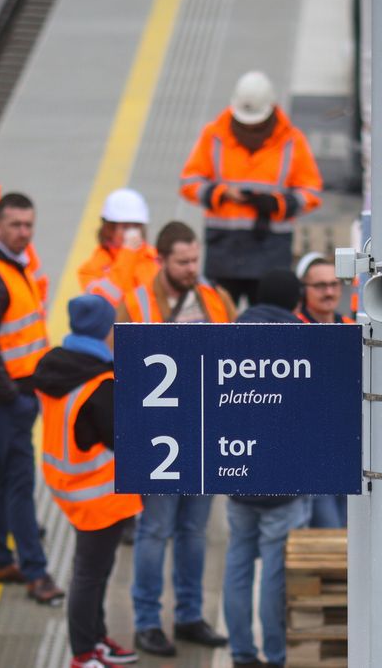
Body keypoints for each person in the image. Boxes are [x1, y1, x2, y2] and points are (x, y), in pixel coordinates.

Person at [116, 221, 235, 656]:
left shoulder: (213, 299)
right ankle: (147, 621)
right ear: (161, 260)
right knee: (155, 530)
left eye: (194, 260)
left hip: (203, 431)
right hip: (158, 440)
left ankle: (188, 615)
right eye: (182, 262)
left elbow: (234, 355)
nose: (191, 269)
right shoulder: (136, 304)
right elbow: (118, 370)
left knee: (193, 530)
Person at [0, 192, 63, 605]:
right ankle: (37, 573)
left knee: (2, 473)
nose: (23, 233)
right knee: (21, 482)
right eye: (15, 225)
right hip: (7, 394)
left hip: (18, 389)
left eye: (28, 225)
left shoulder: (7, 262)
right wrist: (13, 399)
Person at [35, 295, 142, 667]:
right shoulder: (99, 384)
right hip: (99, 493)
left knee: (96, 570)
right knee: (89, 574)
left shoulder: (55, 366)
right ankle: (83, 653)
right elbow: (123, 437)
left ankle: (97, 639)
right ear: (103, 330)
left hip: (68, 483)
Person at [224, 269, 312, 668]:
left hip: (238, 471)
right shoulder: (302, 338)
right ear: (296, 301)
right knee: (275, 575)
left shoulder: (231, 333)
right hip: (283, 480)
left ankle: (242, 651)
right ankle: (275, 654)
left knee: (238, 565)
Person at [179, 71, 323, 306]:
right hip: (224, 252)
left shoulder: (291, 141)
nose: (250, 128)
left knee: (267, 328)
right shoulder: (214, 136)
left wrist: (279, 204)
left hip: (270, 251)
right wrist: (221, 193)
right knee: (220, 325)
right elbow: (189, 182)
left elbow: (312, 191)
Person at [294, 255, 351, 528]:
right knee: (331, 533)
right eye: (319, 286)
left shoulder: (354, 328)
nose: (328, 292)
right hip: (313, 454)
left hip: (352, 450)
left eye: (333, 284)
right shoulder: (293, 329)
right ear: (304, 289)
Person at [79, 188, 159, 306]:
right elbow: (107, 300)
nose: (133, 233)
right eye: (125, 227)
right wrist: (127, 255)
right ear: (109, 230)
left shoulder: (155, 258)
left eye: (136, 226)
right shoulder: (90, 270)